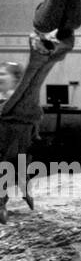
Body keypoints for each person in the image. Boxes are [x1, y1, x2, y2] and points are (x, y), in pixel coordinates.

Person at [0, 61, 32, 224]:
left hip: (14, 142)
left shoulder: (19, 99)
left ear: (14, 78)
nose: (0, 77)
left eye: (3, 74)